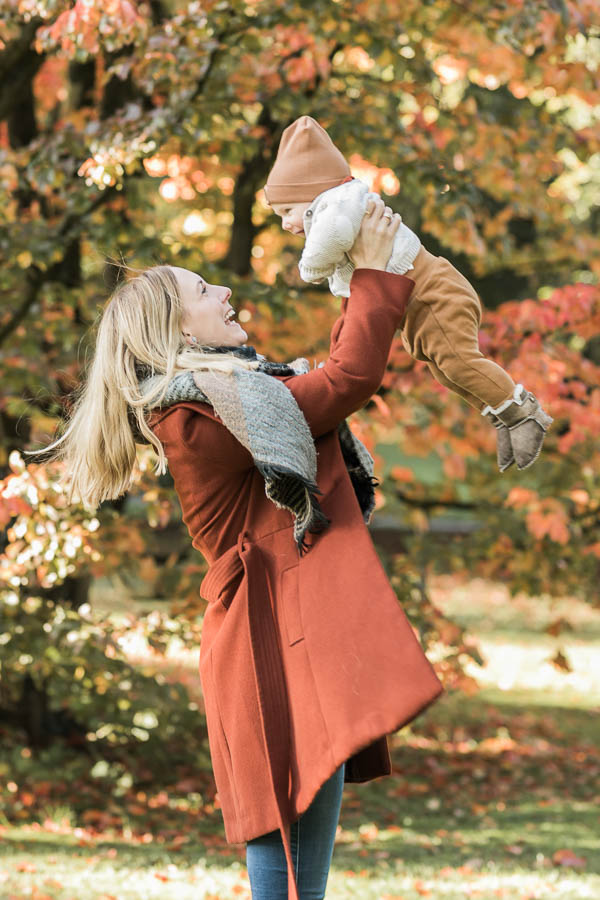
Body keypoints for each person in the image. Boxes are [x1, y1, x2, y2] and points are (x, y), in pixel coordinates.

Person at [34, 198, 444, 899]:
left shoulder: (243, 398)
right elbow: (342, 383)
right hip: (265, 651)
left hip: (293, 638)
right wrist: (375, 275)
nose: (223, 292)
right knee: (283, 872)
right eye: (202, 290)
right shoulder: (192, 418)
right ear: (173, 328)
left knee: (298, 876)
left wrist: (359, 275)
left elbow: (319, 386)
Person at [264, 115, 553, 474]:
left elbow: (332, 236)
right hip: (420, 301)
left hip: (434, 293)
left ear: (310, 194)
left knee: (458, 362)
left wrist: (309, 269)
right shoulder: (335, 202)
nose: (286, 224)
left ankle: (523, 414)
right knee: (445, 371)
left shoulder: (338, 205)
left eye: (286, 212)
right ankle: (501, 414)